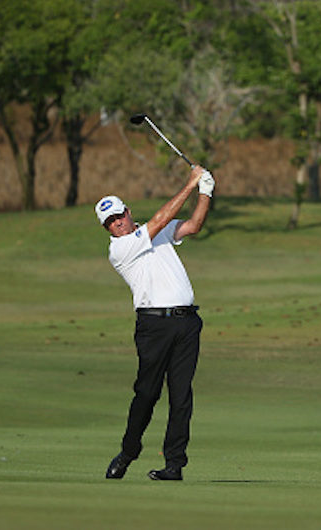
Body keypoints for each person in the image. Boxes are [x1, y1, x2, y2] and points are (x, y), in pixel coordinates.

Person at [97, 165, 215, 481]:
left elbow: (194, 225)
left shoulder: (155, 231)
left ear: (128, 211)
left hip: (187, 323)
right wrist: (190, 183)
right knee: (147, 394)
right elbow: (160, 219)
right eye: (110, 222)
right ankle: (128, 452)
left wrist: (206, 191)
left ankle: (174, 465)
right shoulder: (120, 248)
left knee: (181, 395)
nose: (118, 223)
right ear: (107, 229)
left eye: (119, 215)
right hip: (153, 327)